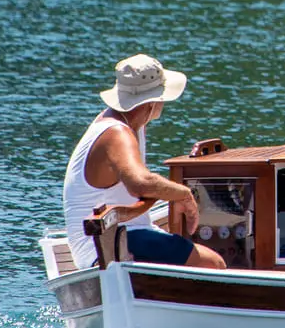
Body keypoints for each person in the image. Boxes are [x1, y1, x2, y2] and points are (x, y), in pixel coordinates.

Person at [63, 54, 226, 272]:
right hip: (108, 243)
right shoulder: (117, 133)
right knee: (214, 264)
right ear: (150, 103)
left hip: (111, 237)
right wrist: (183, 194)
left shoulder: (125, 123)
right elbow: (141, 183)